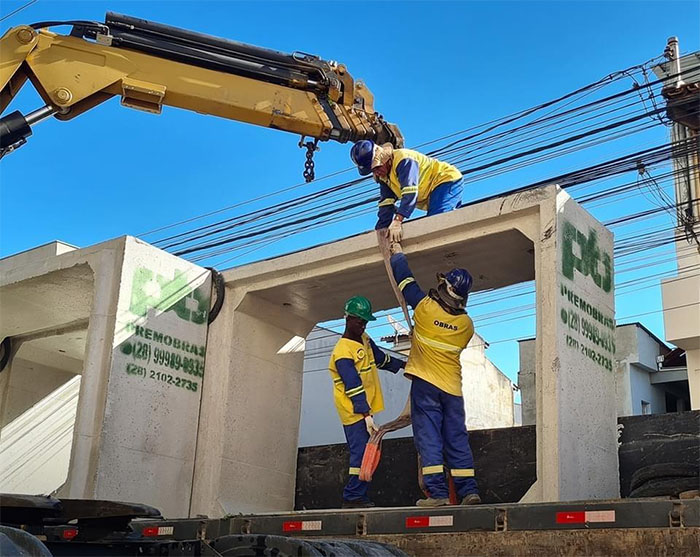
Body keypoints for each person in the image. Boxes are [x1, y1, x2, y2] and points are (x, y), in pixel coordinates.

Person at [389, 242, 481, 507]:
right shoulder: (466, 325)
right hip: (452, 390)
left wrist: (397, 255)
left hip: (426, 386)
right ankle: (469, 492)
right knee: (456, 438)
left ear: (445, 288)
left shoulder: (425, 309)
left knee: (429, 438)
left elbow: (405, 282)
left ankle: (438, 494)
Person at [329, 295, 406, 508]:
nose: (363, 325)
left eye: (365, 322)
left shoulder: (364, 339)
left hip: (364, 409)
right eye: (359, 321)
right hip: (353, 410)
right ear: (348, 319)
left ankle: (356, 495)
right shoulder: (342, 351)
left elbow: (380, 359)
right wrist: (365, 414)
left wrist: (404, 365)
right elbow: (353, 385)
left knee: (365, 450)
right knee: (361, 451)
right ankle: (353, 497)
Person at [350, 140, 463, 242]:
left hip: (445, 180)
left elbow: (410, 193)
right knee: (441, 224)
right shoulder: (383, 177)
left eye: (377, 168)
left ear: (384, 158)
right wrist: (380, 232)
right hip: (432, 193)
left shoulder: (403, 160)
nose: (376, 173)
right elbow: (386, 205)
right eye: (372, 171)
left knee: (437, 224)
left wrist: (398, 220)